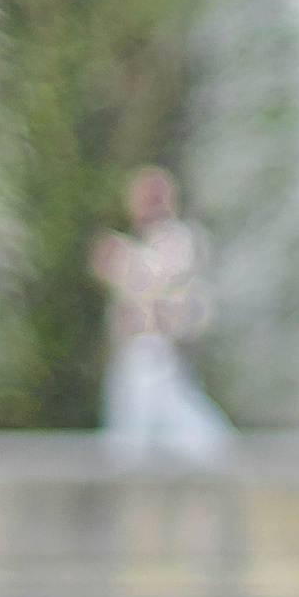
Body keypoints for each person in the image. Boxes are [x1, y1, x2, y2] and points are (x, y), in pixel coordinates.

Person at [92, 166, 233, 459]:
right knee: (129, 441)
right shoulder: (139, 242)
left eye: (157, 197)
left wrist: (122, 261)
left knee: (197, 441)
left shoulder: (178, 239)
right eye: (145, 198)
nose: (150, 205)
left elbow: (162, 288)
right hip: (135, 356)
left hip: (158, 355)